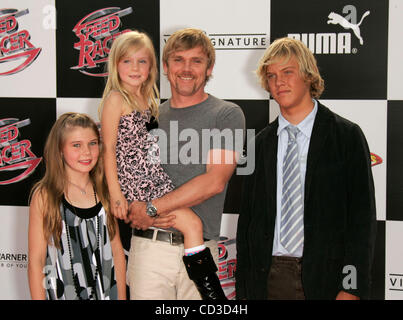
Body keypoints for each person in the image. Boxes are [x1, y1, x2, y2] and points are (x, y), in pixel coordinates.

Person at [100, 30, 241, 299]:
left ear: (209, 67)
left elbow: (215, 181)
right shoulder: (152, 114)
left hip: (198, 247)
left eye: (196, 61)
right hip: (149, 249)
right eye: (178, 60)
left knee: (192, 224)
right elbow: (115, 152)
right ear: (165, 67)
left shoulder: (227, 114)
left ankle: (214, 296)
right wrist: (119, 196)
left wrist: (152, 209)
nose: (186, 68)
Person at [235, 37, 377, 300]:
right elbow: (247, 225)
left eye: (288, 72)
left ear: (308, 76)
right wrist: (244, 289)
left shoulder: (346, 136)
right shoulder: (259, 144)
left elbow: (361, 220)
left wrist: (351, 287)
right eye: (272, 75)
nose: (279, 82)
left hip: (328, 279)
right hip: (268, 278)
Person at [28, 112, 126, 300]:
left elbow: (117, 252)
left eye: (92, 143)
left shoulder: (106, 191)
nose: (87, 152)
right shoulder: (45, 196)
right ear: (59, 150)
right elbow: (36, 261)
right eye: (76, 145)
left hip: (105, 293)